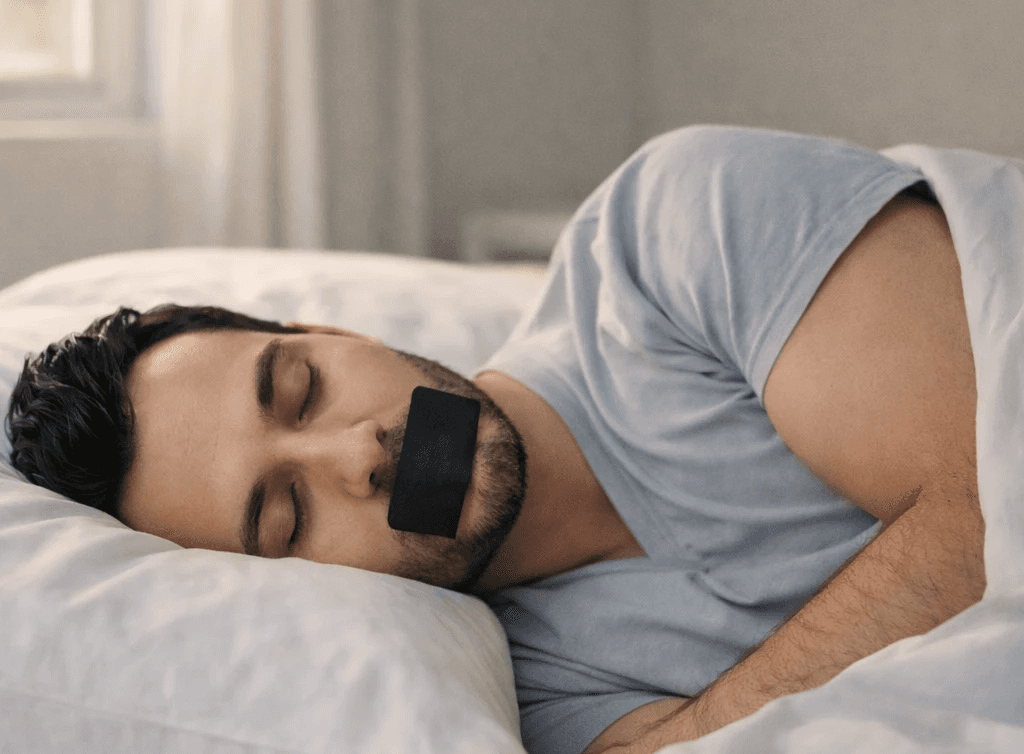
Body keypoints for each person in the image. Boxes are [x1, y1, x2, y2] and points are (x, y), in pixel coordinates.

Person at [5, 126, 986, 754]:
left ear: (333, 335)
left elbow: (995, 492)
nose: (358, 456)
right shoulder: (534, 706)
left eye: (299, 388)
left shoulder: (665, 237)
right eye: (283, 513)